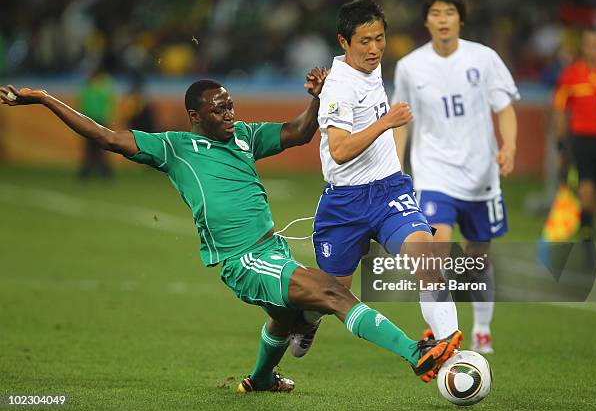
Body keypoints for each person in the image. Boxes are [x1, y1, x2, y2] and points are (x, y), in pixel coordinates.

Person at [0, 70, 460, 392]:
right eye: (219, 109)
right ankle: (416, 353)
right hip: (244, 258)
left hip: (270, 248)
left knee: (289, 318)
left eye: (231, 104)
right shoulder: (174, 148)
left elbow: (299, 134)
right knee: (333, 294)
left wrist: (316, 99)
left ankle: (260, 379)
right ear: (195, 116)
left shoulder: (244, 136)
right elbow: (104, 136)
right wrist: (42, 98)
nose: (230, 113)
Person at [290, 0, 462, 373]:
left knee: (429, 260)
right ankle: (308, 321)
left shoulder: (369, 66)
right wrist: (386, 123)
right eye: (364, 41)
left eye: (379, 38)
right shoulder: (338, 88)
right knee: (331, 293)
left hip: (388, 192)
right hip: (345, 205)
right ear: (343, 42)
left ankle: (454, 357)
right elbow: (338, 150)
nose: (374, 48)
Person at [392, 0, 520, 354]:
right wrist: (397, 165)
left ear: (460, 19)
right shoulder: (411, 66)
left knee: (478, 258)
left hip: (481, 176)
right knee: (434, 251)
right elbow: (401, 120)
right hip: (434, 175)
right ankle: (442, 330)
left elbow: (505, 108)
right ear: (426, 20)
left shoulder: (484, 58)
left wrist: (509, 146)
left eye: (450, 12)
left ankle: (482, 328)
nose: (443, 19)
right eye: (436, 13)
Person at [553, 28, 596, 246]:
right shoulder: (571, 75)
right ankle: (587, 233)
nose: (594, 50)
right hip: (582, 139)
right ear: (584, 47)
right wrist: (561, 144)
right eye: (590, 45)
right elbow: (559, 110)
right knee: (586, 187)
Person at [78, 64, 117, 179]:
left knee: (100, 147)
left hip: (98, 120)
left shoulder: (98, 87)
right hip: (90, 119)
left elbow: (108, 104)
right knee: (92, 148)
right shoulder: (92, 87)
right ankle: (90, 172)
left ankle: (102, 172)